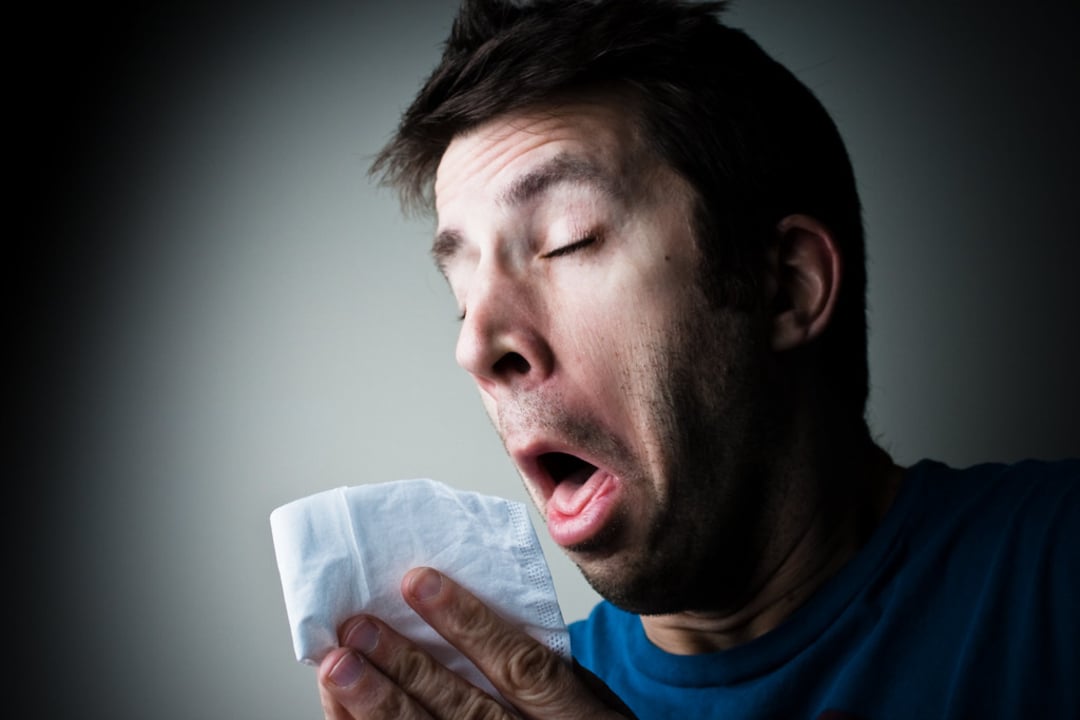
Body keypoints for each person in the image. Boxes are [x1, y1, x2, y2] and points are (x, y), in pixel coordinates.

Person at [314, 1, 1078, 717]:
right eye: (461, 293)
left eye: (567, 240)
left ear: (785, 288)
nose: (475, 345)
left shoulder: (1054, 569)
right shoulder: (512, 703)